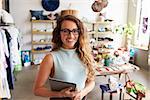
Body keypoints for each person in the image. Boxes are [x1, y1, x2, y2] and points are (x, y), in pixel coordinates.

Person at [33, 15, 95, 100]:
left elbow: (91, 81)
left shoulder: (84, 54)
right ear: (59, 33)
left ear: (79, 32)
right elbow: (37, 90)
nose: (71, 36)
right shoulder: (51, 58)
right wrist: (60, 94)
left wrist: (82, 93)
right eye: (66, 31)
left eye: (75, 31)